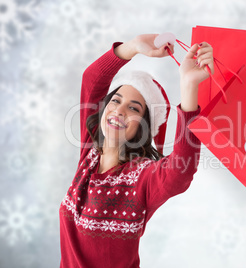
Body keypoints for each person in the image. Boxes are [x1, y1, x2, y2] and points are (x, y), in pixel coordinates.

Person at [59, 34, 214, 268]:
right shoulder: (89, 155)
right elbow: (91, 80)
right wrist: (133, 46)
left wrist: (189, 85)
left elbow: (180, 171)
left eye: (133, 108)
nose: (118, 111)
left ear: (144, 127)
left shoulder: (141, 177)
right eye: (115, 100)